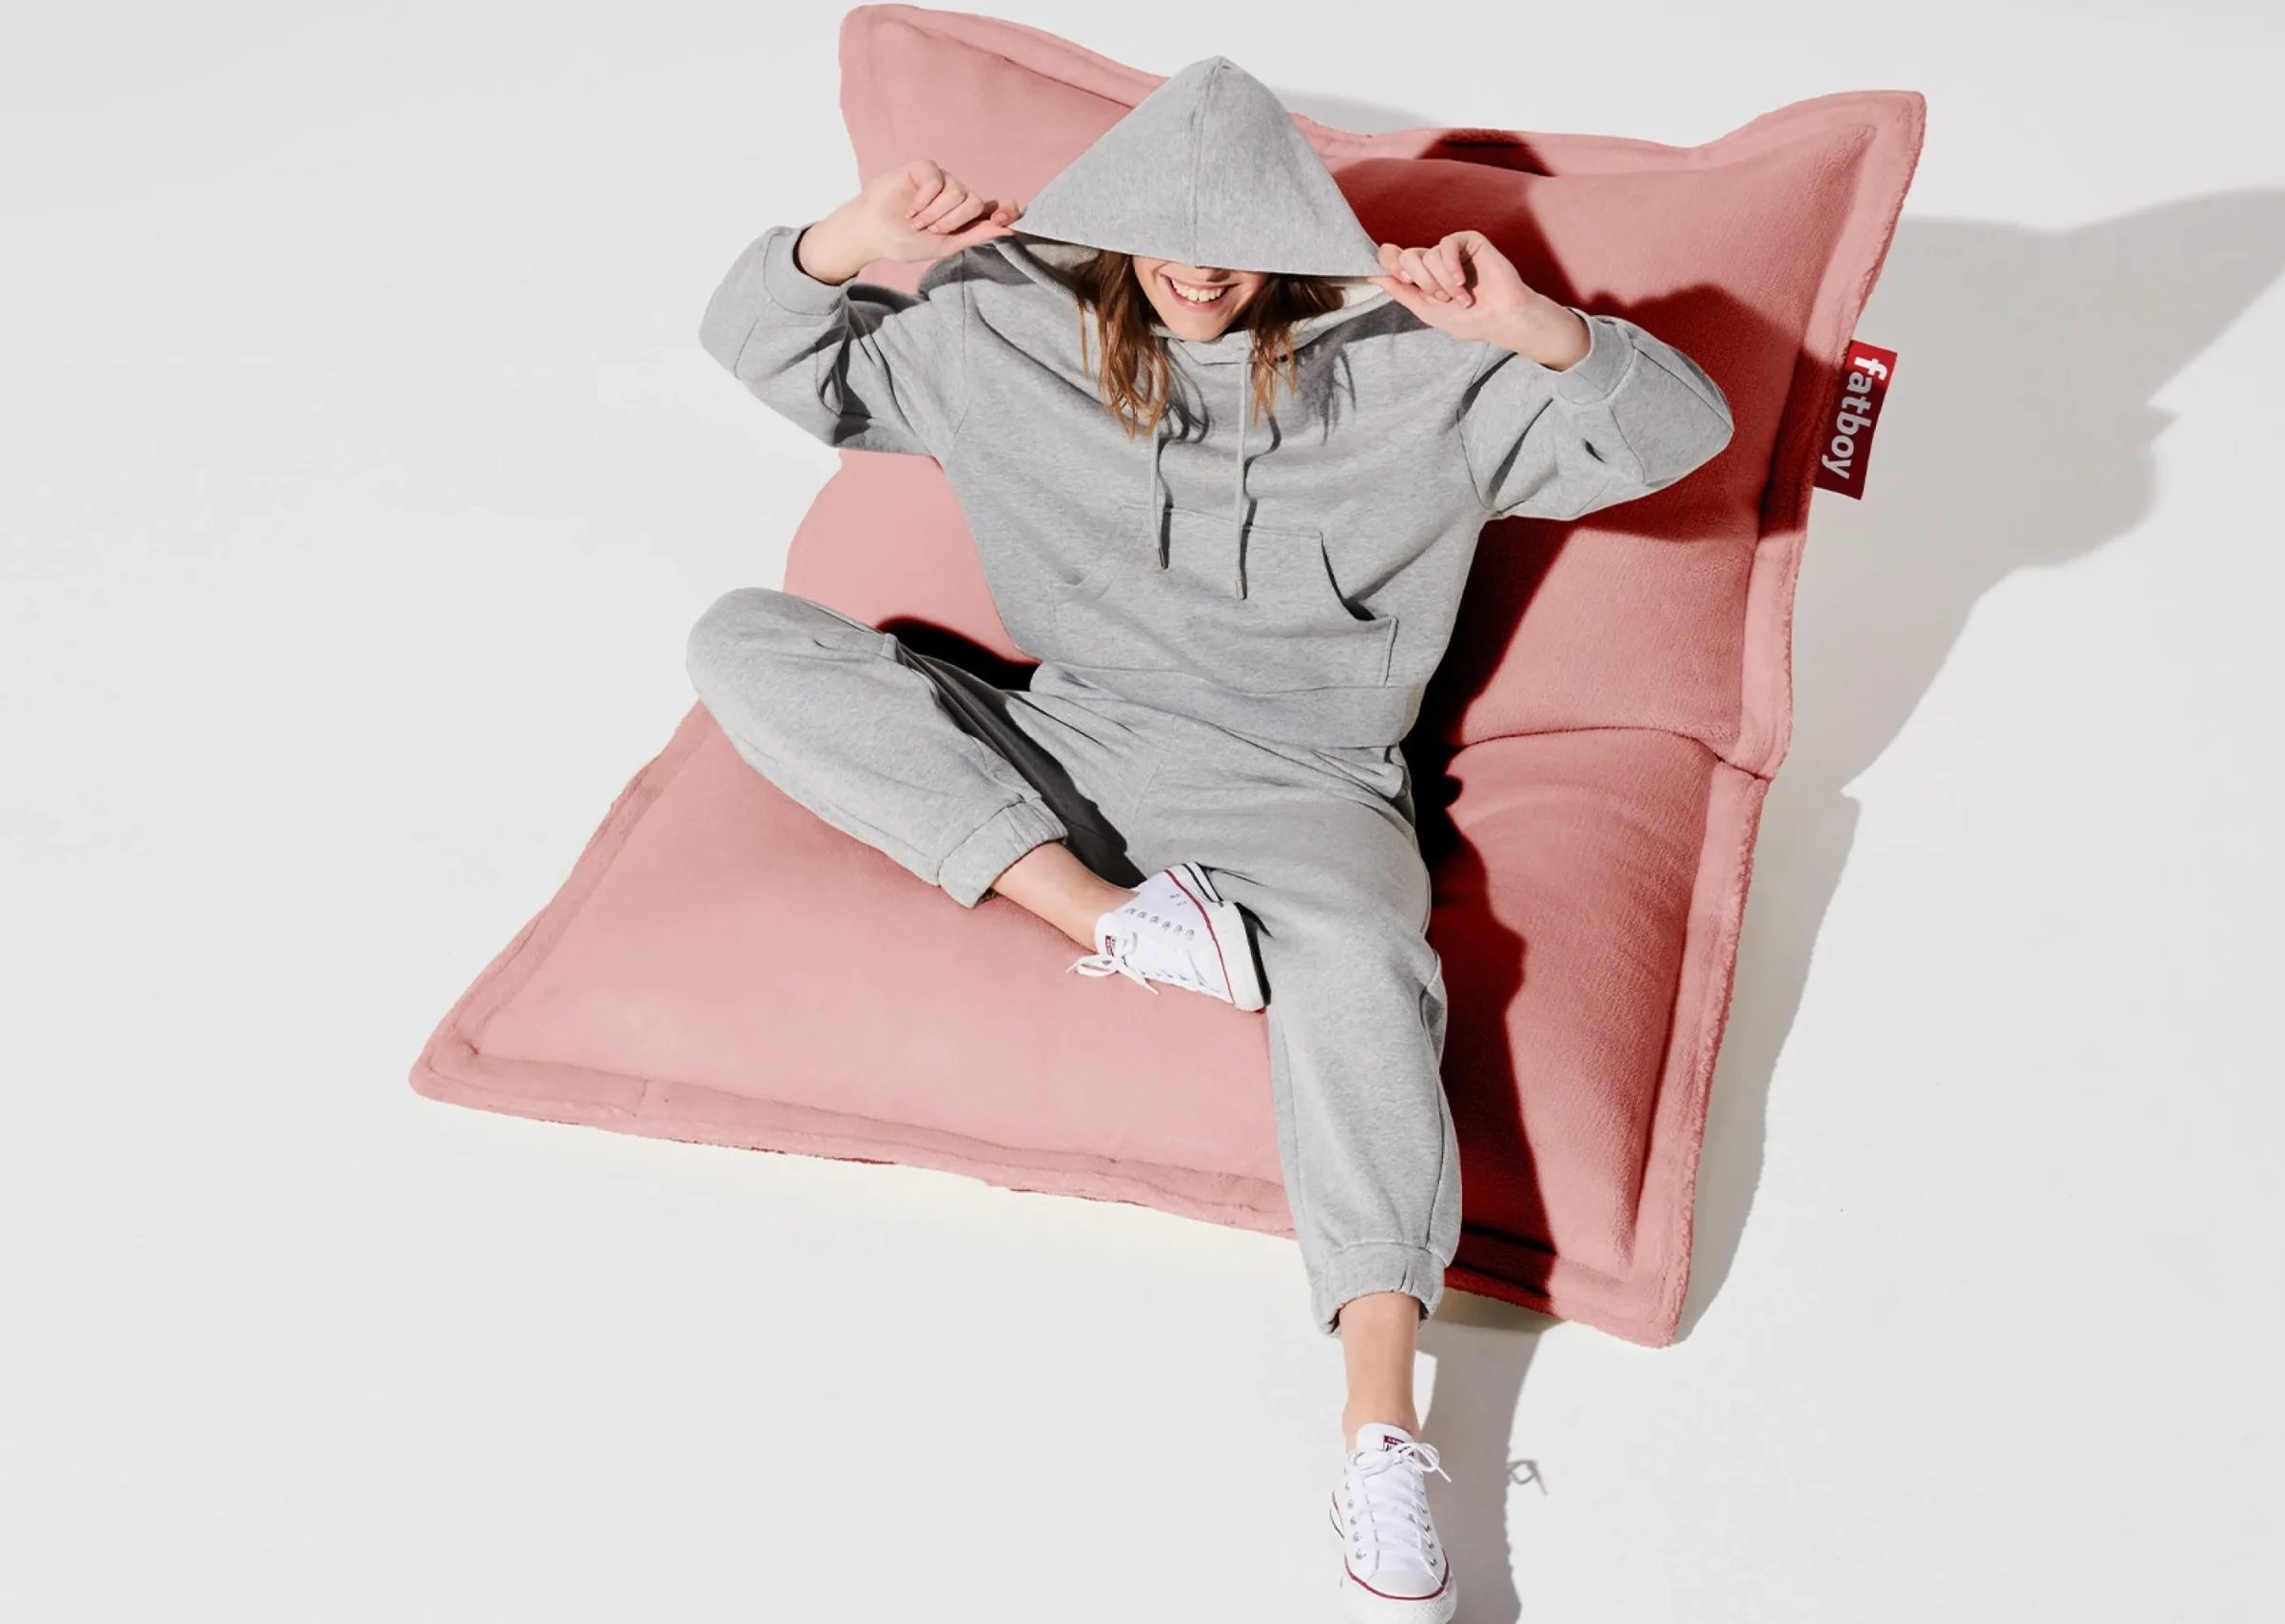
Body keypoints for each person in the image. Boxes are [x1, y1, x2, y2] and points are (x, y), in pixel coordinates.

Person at [686, 55, 1732, 1622]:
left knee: (1367, 968)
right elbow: (770, 352)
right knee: (741, 636)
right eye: (1166, 230)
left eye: (1237, 235)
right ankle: (1104, 920)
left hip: (1311, 785)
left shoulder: (1420, 370)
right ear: (1112, 223)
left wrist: (1529, 326)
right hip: (1074, 742)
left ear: (1295, 236)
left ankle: (1381, 1434)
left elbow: (1680, 433)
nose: (1197, 264)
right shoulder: (998, 324)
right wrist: (853, 237)